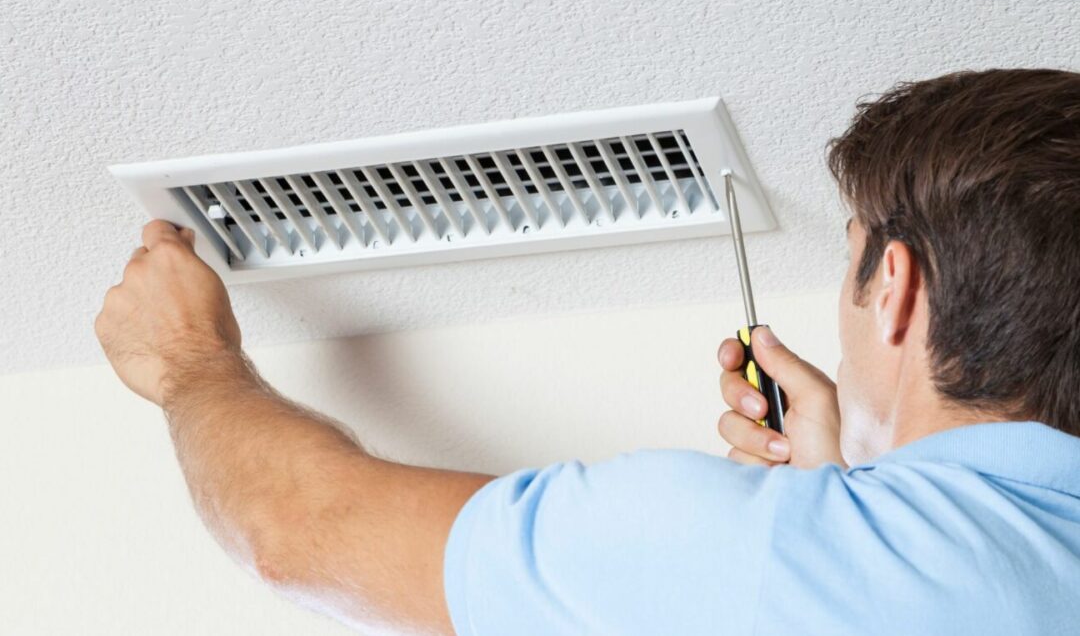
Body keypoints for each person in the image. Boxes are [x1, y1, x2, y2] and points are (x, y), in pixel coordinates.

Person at [95, 69, 1080, 635]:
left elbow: (295, 532)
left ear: (896, 289)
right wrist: (838, 487)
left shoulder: (767, 550)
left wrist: (190, 364)